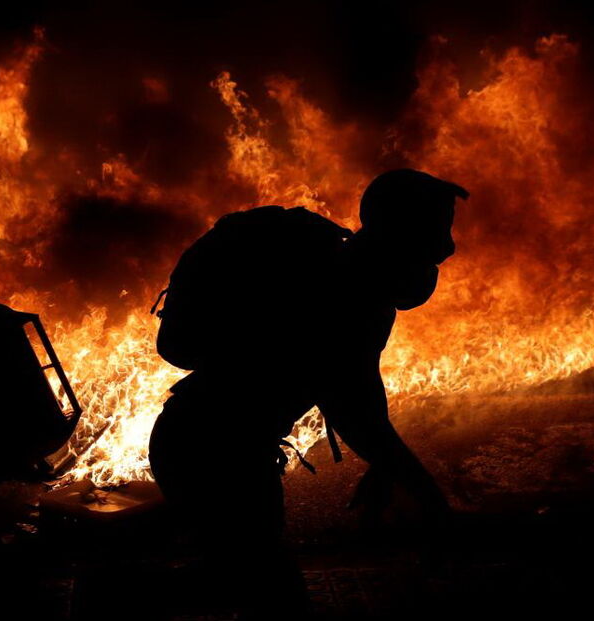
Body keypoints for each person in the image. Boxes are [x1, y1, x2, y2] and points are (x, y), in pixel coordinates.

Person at [149, 169, 468, 618]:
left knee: (243, 580)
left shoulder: (360, 289)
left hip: (217, 449)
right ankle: (112, 601)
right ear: (398, 229)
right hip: (209, 454)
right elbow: (352, 408)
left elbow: (362, 389)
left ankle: (116, 601)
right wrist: (430, 500)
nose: (447, 245)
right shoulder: (341, 291)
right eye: (437, 227)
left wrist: (385, 465)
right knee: (270, 594)